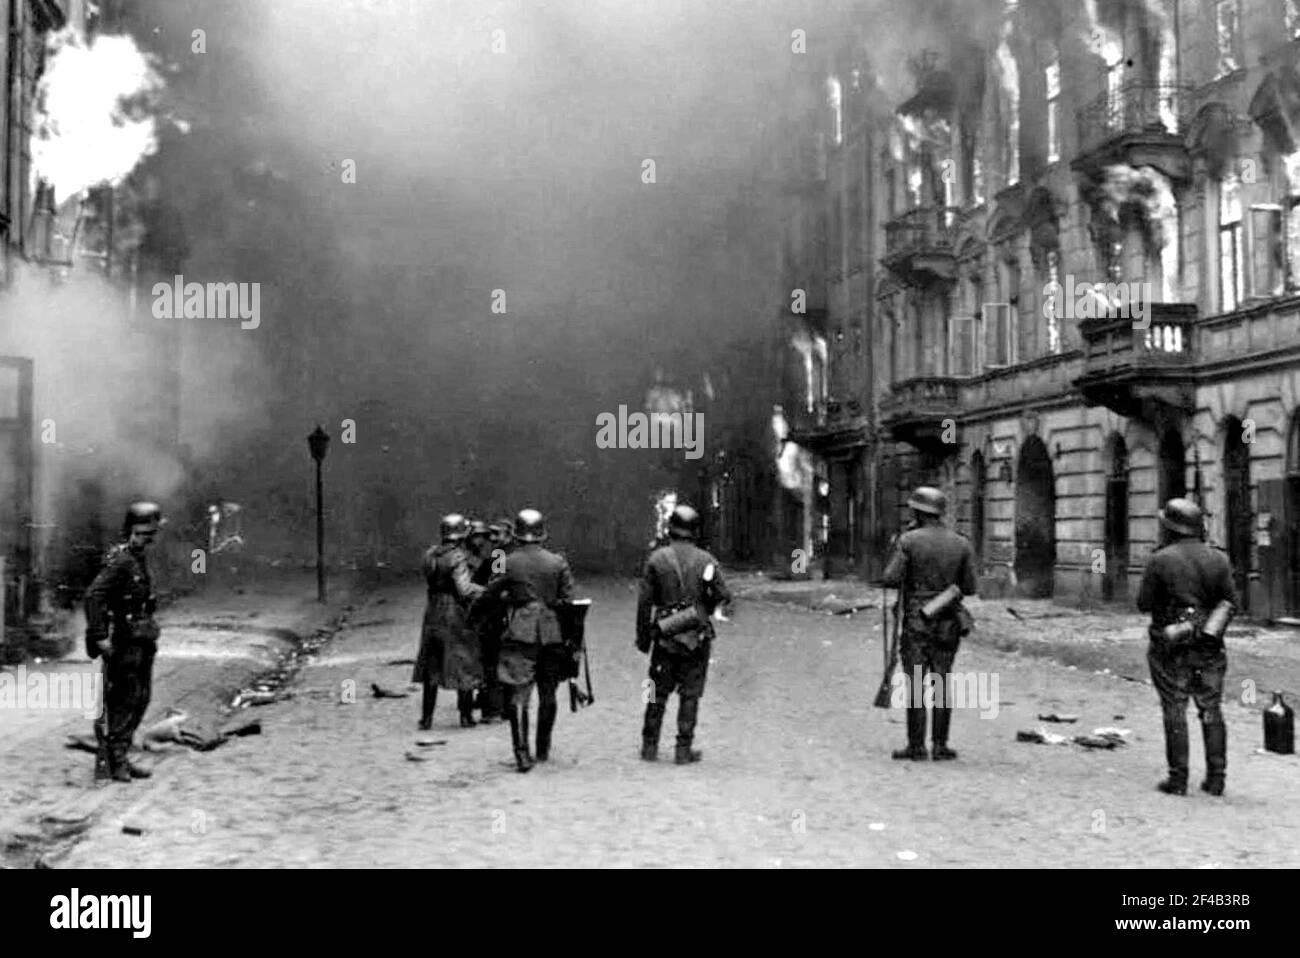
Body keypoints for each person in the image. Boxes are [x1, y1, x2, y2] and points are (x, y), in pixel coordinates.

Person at [1136, 498, 1237, 796]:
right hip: (1209, 643)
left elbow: (1144, 604)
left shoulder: (1160, 560)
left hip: (1171, 646)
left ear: (1170, 528)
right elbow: (1231, 602)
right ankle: (1216, 778)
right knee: (1211, 708)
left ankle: (1178, 779)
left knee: (1175, 707)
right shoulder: (1219, 558)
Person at [474, 508, 574, 772]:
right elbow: (567, 601)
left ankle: (521, 754)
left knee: (519, 692)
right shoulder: (558, 561)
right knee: (549, 693)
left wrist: (479, 613)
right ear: (542, 534)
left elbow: (490, 592)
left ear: (517, 534)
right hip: (551, 633)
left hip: (521, 631)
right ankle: (543, 748)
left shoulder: (505, 560)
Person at [881, 486, 976, 762]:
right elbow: (969, 587)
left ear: (917, 512)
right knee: (942, 682)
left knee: (915, 685)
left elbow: (890, 577)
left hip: (916, 622)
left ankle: (916, 747)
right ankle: (940, 745)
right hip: (948, 622)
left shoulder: (909, 540)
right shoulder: (961, 543)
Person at [636, 503, 732, 764]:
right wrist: (704, 608)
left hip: (665, 637)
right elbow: (725, 597)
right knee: (691, 694)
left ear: (671, 529)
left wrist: (644, 638)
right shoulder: (706, 561)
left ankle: (649, 745)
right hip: (695, 638)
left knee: (656, 691)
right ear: (694, 531)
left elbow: (645, 602)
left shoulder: (656, 559)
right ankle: (683, 748)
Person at [84, 502, 165, 784]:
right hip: (125, 641)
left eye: (149, 534)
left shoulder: (138, 558)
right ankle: (115, 760)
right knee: (124, 700)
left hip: (142, 639)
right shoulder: (120, 560)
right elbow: (93, 596)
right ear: (129, 531)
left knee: (141, 698)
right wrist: (100, 636)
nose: (145, 539)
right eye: (141, 533)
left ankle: (122, 755)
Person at [413, 514, 484, 730]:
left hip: (433, 609)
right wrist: (486, 591)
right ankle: (465, 716)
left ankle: (426, 718)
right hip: (454, 611)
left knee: (431, 665)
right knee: (464, 658)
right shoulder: (458, 557)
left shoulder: (430, 554)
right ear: (461, 535)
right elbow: (464, 589)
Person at [465, 519, 503, 723]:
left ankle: (493, 709)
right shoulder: (502, 555)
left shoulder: (498, 556)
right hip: (505, 614)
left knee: (490, 664)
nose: (492, 539)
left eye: (497, 535)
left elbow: (492, 585)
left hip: (493, 615)